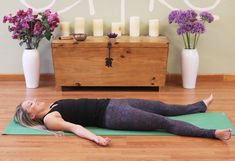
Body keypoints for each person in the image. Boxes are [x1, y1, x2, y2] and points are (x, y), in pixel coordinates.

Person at [14, 94, 232, 146]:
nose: (33, 100)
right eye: (29, 105)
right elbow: (76, 127)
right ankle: (213, 134)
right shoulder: (51, 119)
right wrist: (96, 139)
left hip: (115, 102)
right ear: (32, 116)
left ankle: (199, 106)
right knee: (162, 122)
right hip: (113, 116)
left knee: (163, 107)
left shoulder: (54, 104)